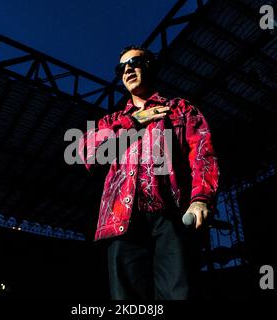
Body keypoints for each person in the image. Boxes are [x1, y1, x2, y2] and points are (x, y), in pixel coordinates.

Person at [78, 45, 219, 300]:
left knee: (179, 294)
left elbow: (202, 155)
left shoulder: (181, 110)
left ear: (150, 66)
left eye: (134, 62)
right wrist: (134, 121)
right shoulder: (110, 122)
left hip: (171, 216)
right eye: (121, 67)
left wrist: (200, 199)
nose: (128, 69)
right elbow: (88, 154)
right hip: (123, 222)